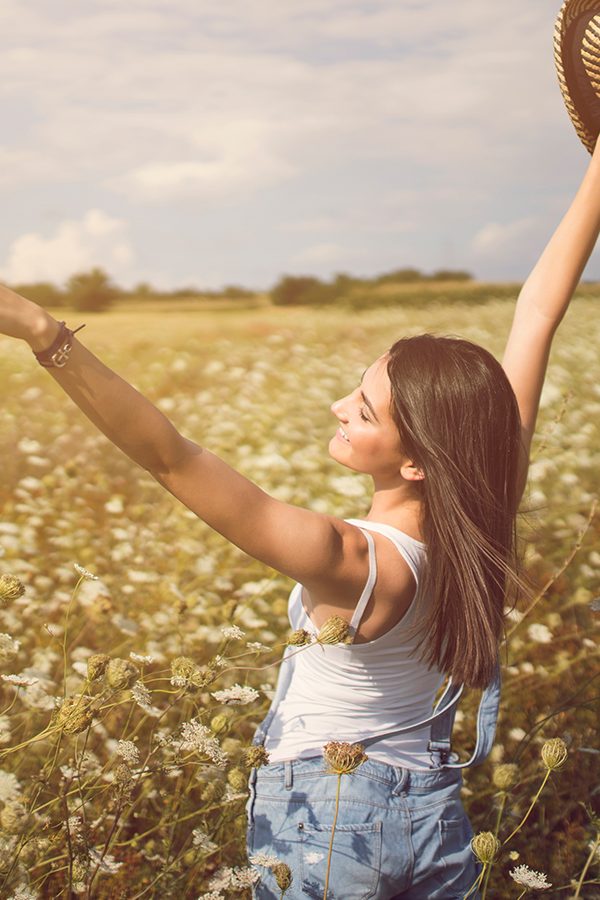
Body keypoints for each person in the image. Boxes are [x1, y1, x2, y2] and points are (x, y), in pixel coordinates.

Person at [1, 137, 600, 899]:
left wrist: (45, 334)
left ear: (417, 461)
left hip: (333, 819)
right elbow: (540, 310)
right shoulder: (484, 489)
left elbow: (171, 459)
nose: (338, 410)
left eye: (364, 410)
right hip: (436, 823)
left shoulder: (348, 556)